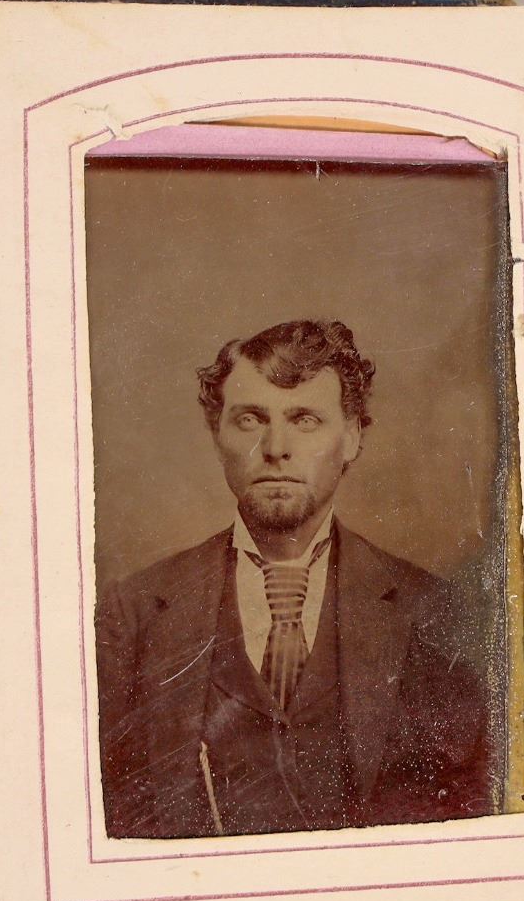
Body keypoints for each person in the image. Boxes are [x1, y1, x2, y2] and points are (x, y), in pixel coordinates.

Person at [95, 319, 496, 838]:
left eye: (305, 419)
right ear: (217, 435)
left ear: (352, 437)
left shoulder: (433, 610)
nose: (275, 447)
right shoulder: (133, 613)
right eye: (250, 419)